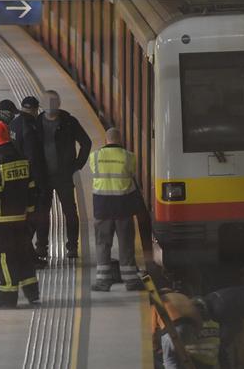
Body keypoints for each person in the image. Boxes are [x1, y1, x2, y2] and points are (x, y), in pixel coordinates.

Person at [0, 120, 40, 308]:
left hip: (1, 220)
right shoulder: (21, 158)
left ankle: (8, 295)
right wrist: (30, 213)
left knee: (2, 257)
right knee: (24, 255)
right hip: (21, 218)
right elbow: (31, 188)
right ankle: (32, 293)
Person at [36, 89, 92, 258]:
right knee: (42, 213)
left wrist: (77, 165)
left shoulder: (69, 122)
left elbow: (86, 143)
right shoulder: (36, 123)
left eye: (54, 102)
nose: (50, 105)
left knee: (70, 212)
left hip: (64, 176)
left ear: (59, 104)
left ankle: (72, 247)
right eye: (47, 102)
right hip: (43, 176)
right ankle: (41, 247)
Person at [89, 127, 144, 291]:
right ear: (120, 140)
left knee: (102, 244)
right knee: (126, 243)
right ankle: (131, 282)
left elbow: (94, 172)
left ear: (106, 140)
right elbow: (131, 173)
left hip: (102, 206)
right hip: (123, 206)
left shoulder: (95, 156)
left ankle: (103, 282)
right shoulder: (129, 157)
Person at [10, 96, 46, 267]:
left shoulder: (13, 124)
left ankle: (26, 254)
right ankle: (24, 256)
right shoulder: (30, 126)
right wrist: (38, 183)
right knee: (32, 219)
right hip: (29, 180)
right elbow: (33, 157)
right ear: (35, 109)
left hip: (15, 178)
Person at [150, 291, 203, 369]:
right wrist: (196, 335)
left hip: (171, 329)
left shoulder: (159, 301)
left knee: (170, 360)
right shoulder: (183, 297)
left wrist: (155, 347)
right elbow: (198, 316)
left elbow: (152, 330)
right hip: (190, 328)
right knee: (183, 359)